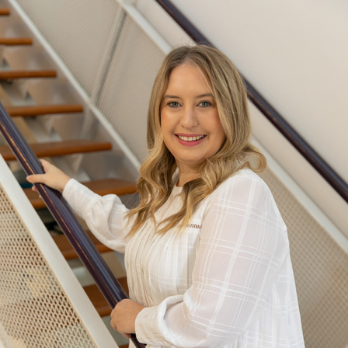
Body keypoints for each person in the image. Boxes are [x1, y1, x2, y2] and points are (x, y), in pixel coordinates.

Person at [27, 45, 305, 347]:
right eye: (174, 103)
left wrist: (139, 320)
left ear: (230, 113)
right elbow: (128, 228)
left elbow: (208, 325)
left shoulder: (242, 193)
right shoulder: (172, 191)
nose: (188, 120)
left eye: (205, 103)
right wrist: (67, 186)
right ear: (159, 113)